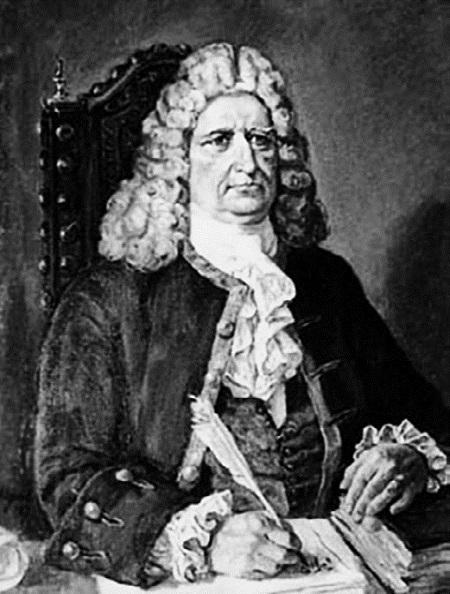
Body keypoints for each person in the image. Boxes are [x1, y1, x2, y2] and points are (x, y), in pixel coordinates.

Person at [34, 42, 450, 588]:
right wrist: (204, 541)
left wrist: (404, 457)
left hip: (335, 575)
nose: (248, 164)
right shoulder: (107, 298)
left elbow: (422, 414)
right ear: (177, 161)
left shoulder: (326, 282)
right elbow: (65, 478)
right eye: (219, 140)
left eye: (261, 140)